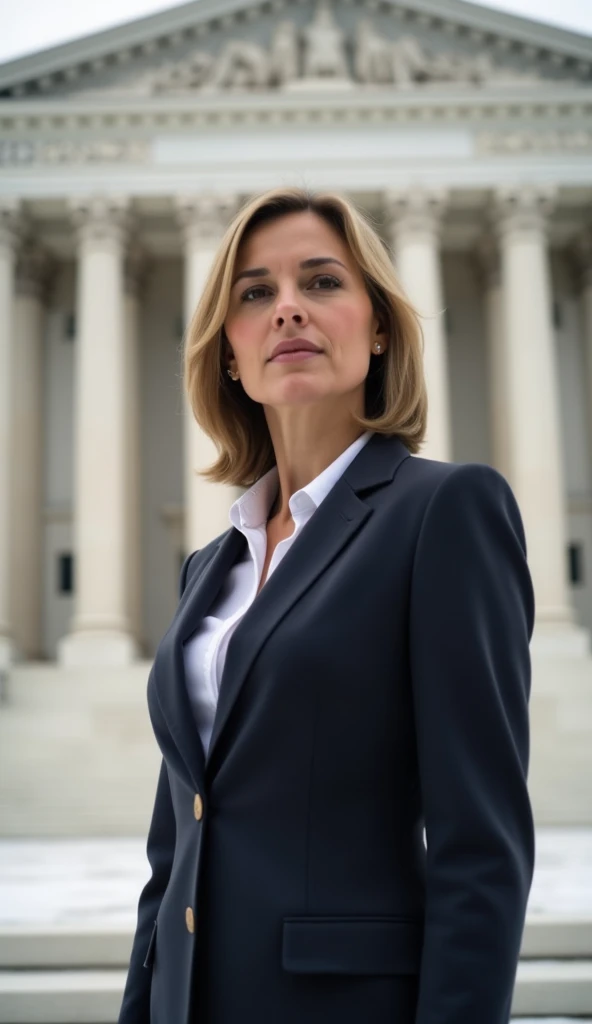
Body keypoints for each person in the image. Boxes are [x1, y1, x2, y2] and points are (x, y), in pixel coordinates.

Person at [118, 186, 535, 1024]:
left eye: (323, 282)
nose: (288, 311)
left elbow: (481, 850)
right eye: (255, 293)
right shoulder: (211, 565)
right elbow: (173, 858)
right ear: (228, 351)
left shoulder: (445, 513)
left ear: (378, 327)